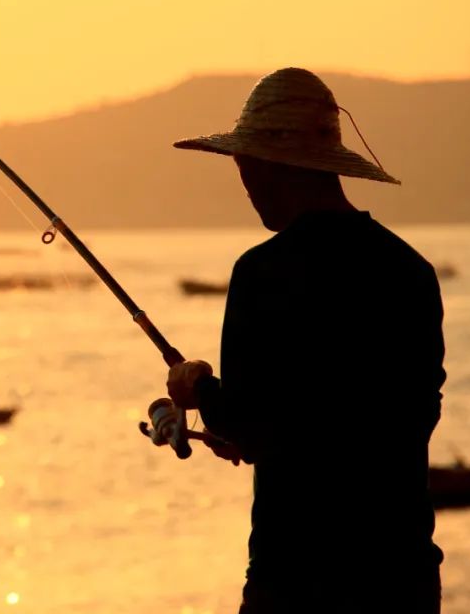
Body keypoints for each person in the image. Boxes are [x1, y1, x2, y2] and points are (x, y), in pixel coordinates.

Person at [166, 68, 446, 613]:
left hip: (295, 580)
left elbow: (251, 418)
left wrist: (197, 386)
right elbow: (397, 417)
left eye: (243, 166)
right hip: (402, 577)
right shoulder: (411, 272)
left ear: (269, 167)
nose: (243, 183)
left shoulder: (261, 273)